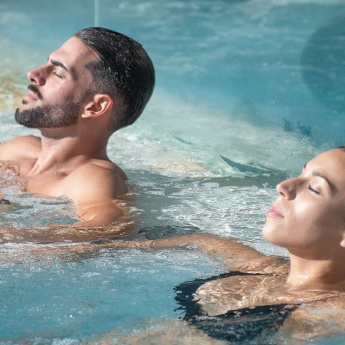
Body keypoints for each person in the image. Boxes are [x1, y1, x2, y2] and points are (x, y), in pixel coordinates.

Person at [27, 147, 345, 341]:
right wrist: (74, 250)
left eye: (314, 188)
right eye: (300, 173)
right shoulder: (266, 268)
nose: (284, 186)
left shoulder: (330, 312)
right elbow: (201, 241)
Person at [0, 27, 155, 227]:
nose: (33, 74)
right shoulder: (20, 148)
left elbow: (107, 227)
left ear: (95, 106)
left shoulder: (91, 177)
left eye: (57, 72)